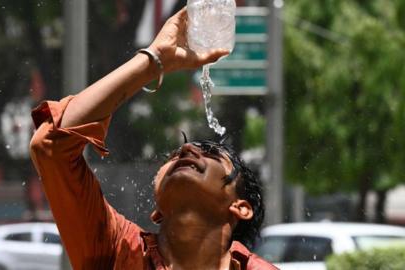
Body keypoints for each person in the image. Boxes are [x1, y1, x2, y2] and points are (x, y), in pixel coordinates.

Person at [30, 8, 277, 270]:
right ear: (157, 211)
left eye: (212, 154)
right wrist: (154, 60)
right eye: (172, 158)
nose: (187, 150)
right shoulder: (120, 251)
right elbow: (51, 146)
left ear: (241, 208)